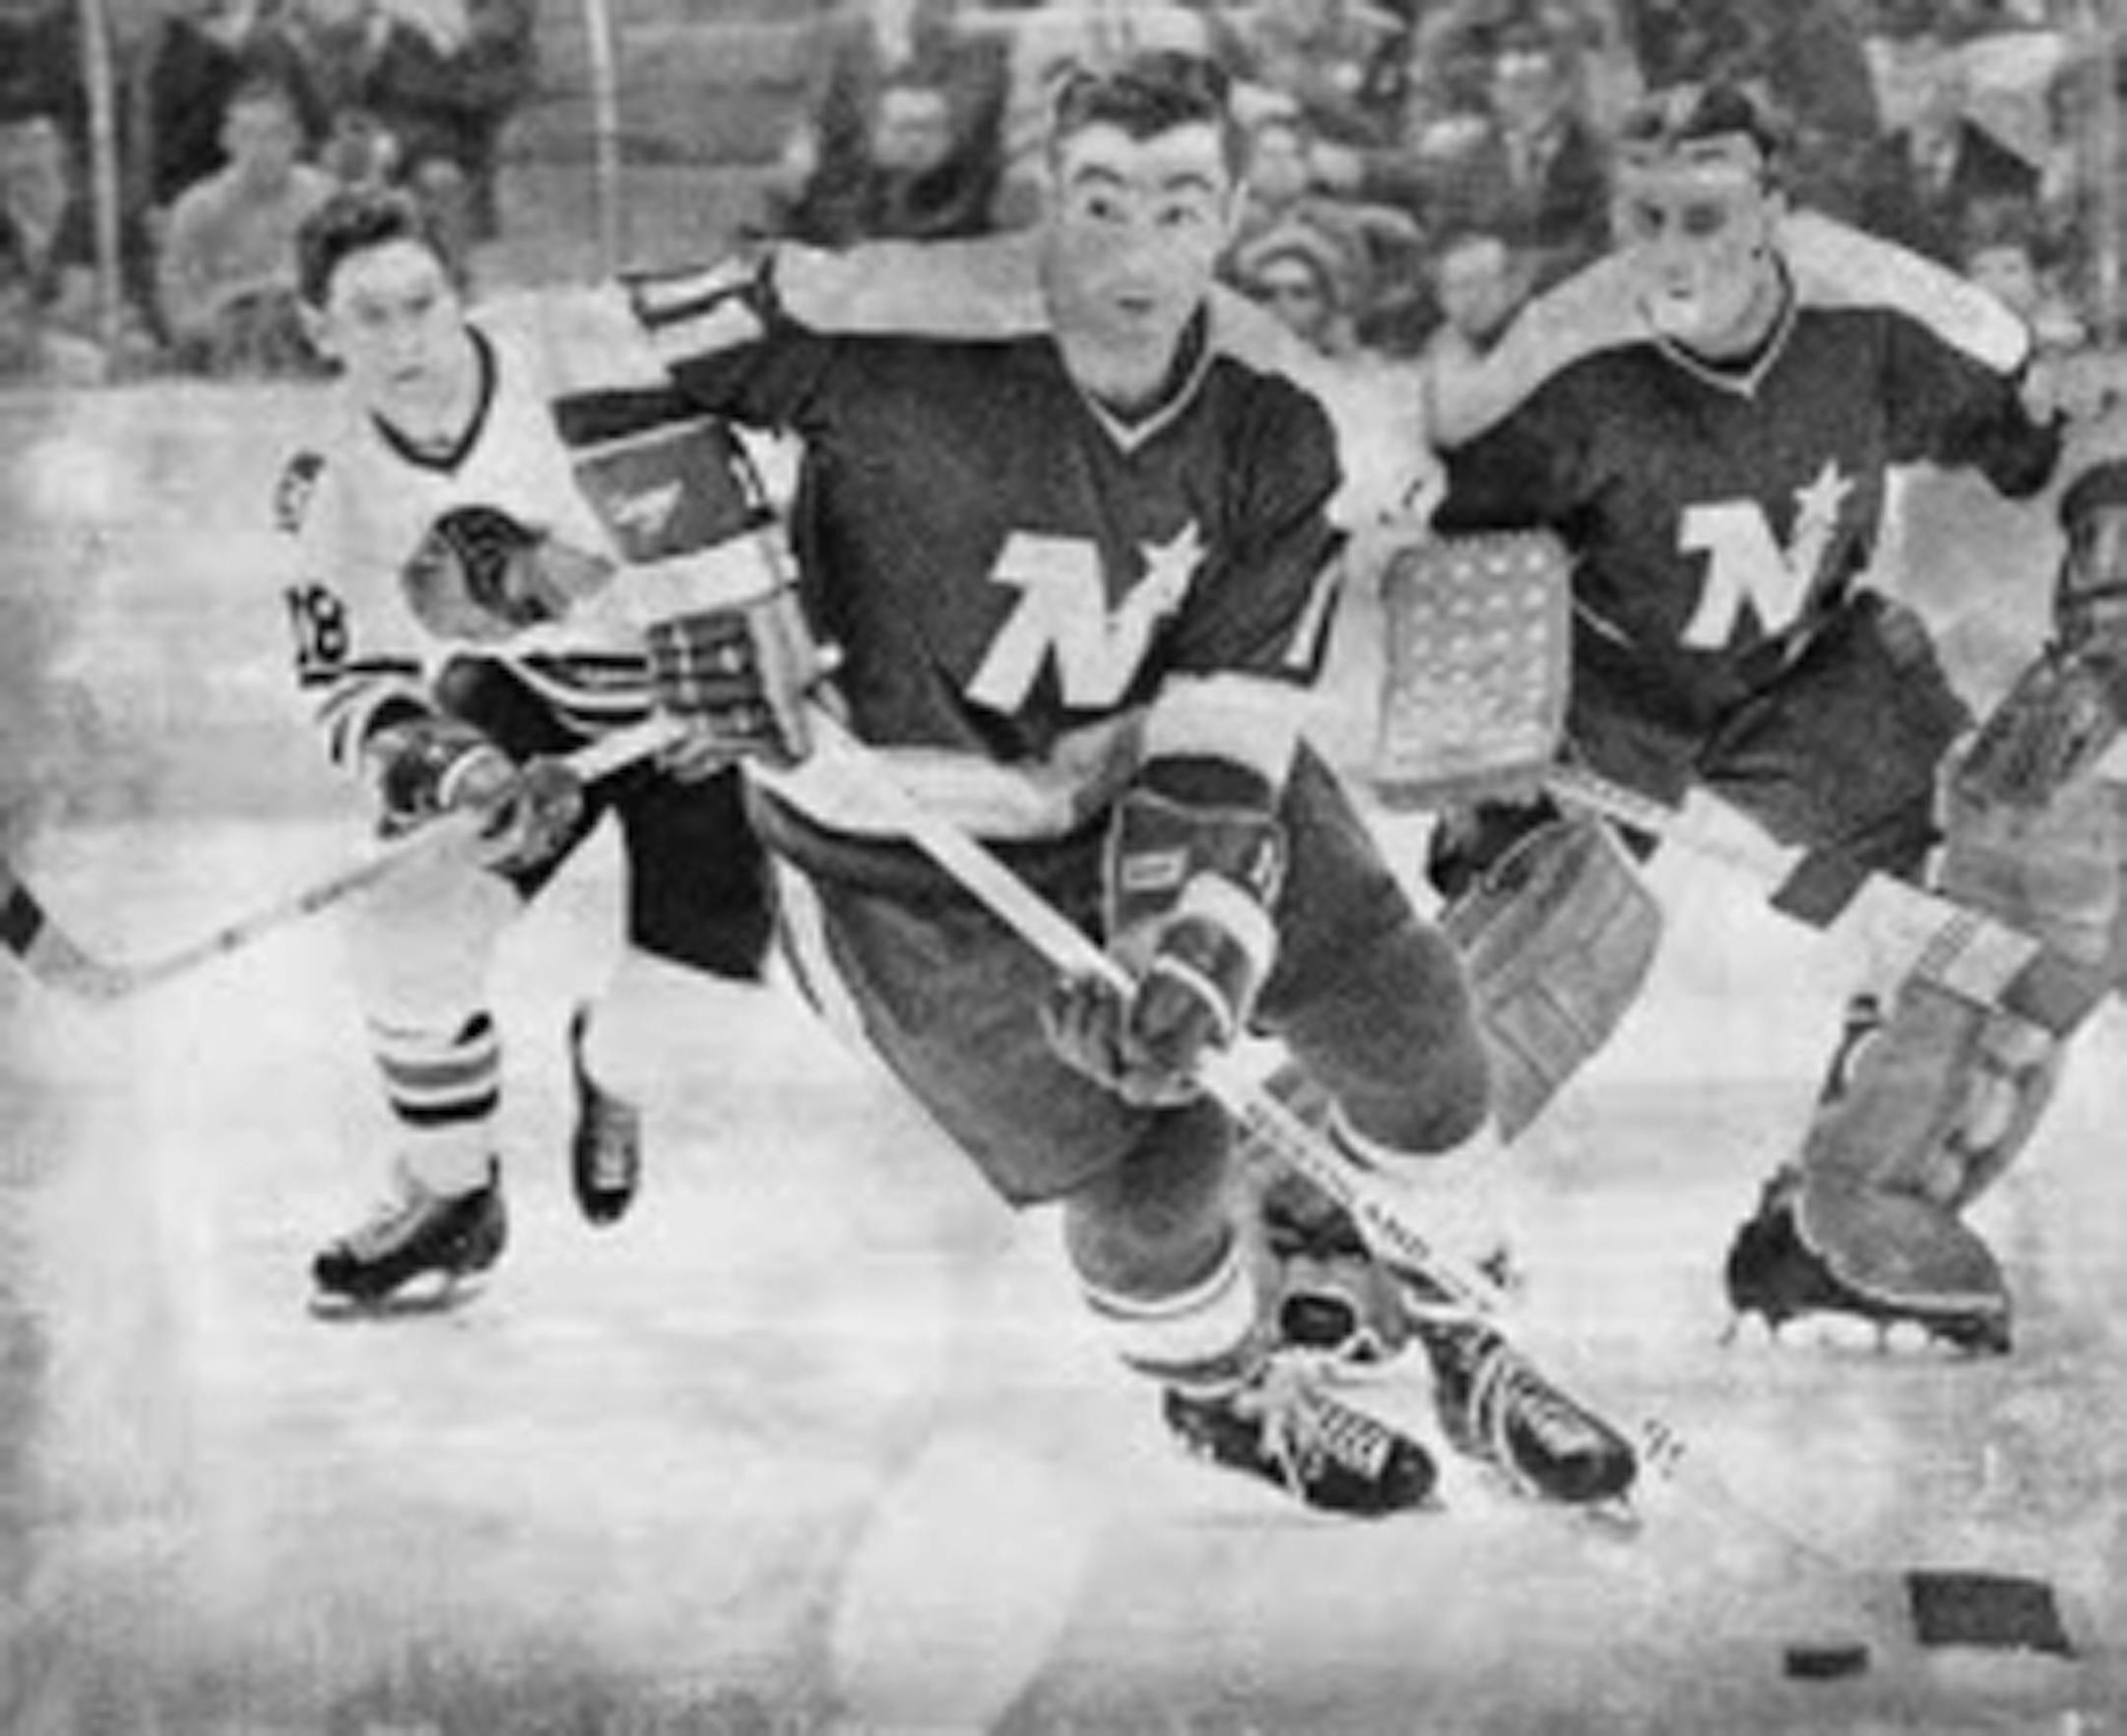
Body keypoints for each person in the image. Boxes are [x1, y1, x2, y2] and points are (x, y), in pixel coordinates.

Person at [598, 49, 1636, 1516]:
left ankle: (1471, 1338)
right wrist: (706, 581)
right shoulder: (888, 316)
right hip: (906, 864)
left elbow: (1224, 731)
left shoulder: (1275, 415)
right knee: (1159, 1174)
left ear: (1228, 212)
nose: (1136, 251)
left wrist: (1188, 965)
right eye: (1100, 202)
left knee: (1407, 1015)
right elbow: (593, 342)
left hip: (1150, 777)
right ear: (1044, 199)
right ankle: (1225, 1398)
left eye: (1176, 205)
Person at [1418, 79, 2114, 1356]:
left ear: (1776, 206)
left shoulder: (1879, 309)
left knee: (1993, 915)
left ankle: (1847, 1219)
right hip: (1606, 683)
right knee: (1530, 960)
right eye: (1648, 213)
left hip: (1810, 665)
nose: (1675, 249)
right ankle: (1323, 1229)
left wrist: (2110, 558)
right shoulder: (1550, 360)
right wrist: (1480, 739)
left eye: (1709, 211)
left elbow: (2060, 426)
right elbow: (1451, 556)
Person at [275, 186, 778, 1311]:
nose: (406, 340)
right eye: (370, 317)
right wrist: (463, 774)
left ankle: (611, 1064)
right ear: (319, 329)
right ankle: (453, 1197)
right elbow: (350, 679)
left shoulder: (576, 354)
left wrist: (742, 673)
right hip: (529, 695)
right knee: (403, 931)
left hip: (698, 703)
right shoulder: (330, 480)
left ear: (463, 295)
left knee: (677, 1024)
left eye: (422, 303)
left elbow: (777, 487)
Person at [160, 76, 334, 374]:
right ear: (226, 139)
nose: (260, 148)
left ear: (295, 138)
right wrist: (237, 317)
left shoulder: (324, 201)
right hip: (223, 355)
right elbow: (177, 304)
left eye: (273, 135)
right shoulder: (198, 209)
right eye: (247, 135)